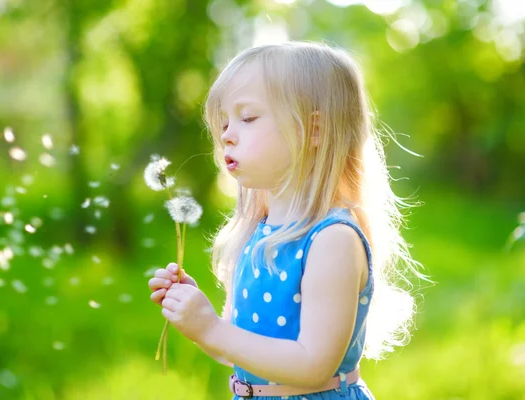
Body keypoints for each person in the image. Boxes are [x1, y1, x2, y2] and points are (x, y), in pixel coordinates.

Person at [148, 41, 424, 399]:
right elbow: (238, 348)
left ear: (314, 130)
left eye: (247, 118)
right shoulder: (259, 233)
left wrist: (213, 329)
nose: (226, 134)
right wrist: (196, 318)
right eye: (225, 122)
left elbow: (313, 365)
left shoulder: (332, 240)